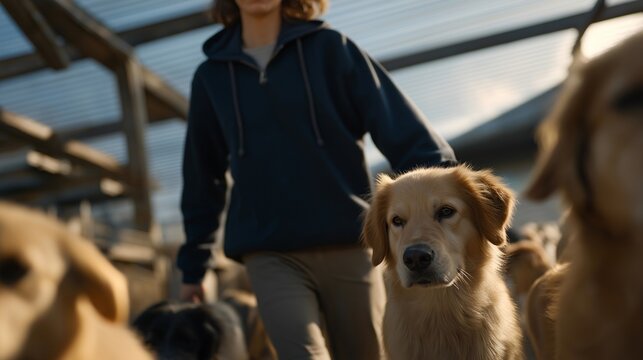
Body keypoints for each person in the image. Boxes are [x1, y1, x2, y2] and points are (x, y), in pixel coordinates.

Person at [177, 0, 457, 359]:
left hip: (350, 245)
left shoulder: (332, 50)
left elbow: (405, 131)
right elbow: (203, 176)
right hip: (270, 253)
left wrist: (456, 197)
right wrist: (192, 268)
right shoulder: (211, 78)